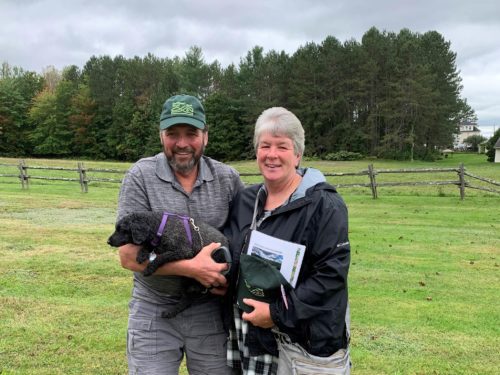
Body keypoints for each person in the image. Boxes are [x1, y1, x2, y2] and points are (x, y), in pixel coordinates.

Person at [115, 94, 244, 374]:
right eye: (173, 134)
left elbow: (242, 244)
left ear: (205, 136)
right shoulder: (141, 177)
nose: (182, 143)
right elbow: (127, 256)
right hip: (153, 310)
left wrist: (228, 278)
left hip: (210, 311)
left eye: (191, 133)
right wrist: (193, 269)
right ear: (161, 136)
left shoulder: (228, 179)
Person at [224, 107, 351, 374]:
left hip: (302, 343)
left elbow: (330, 276)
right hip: (250, 336)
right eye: (265, 145)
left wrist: (276, 314)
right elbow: (234, 252)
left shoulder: (325, 205)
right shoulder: (246, 201)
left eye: (282, 146)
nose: (271, 155)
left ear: (297, 154)